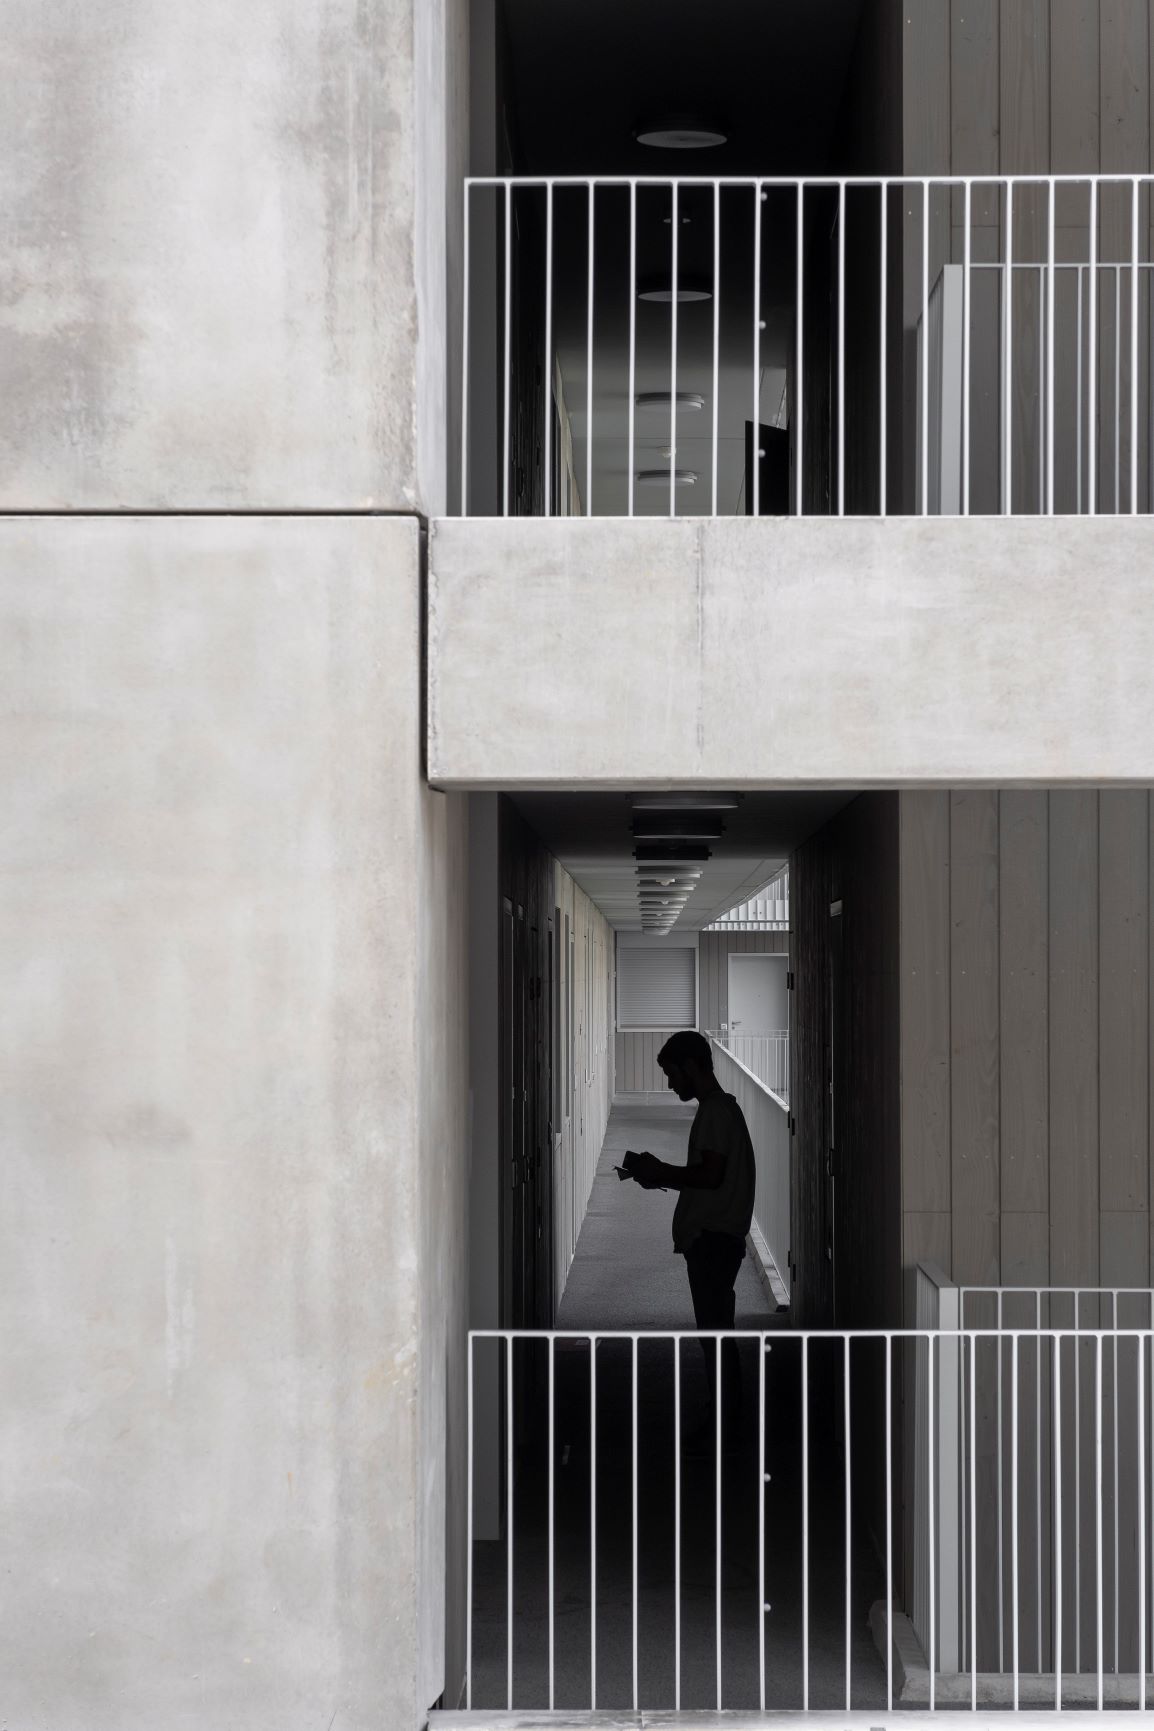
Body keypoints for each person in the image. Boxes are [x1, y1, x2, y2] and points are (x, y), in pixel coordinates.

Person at [621, 1029, 756, 1431]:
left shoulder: (714, 1112)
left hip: (713, 1240)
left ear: (692, 1067)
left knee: (715, 1335)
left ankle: (725, 1425)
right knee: (717, 1333)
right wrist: (661, 1175)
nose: (670, 1083)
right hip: (718, 1238)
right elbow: (710, 1177)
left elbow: (710, 1176)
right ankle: (726, 1420)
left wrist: (660, 1170)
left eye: (672, 1074)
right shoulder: (723, 1109)